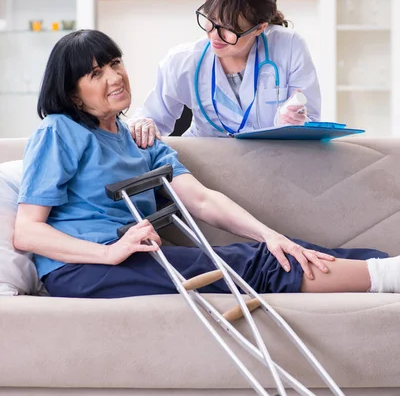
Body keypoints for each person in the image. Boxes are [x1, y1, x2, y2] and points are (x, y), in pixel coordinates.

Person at [14, 29, 399, 299]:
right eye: (96, 73)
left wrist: (269, 234)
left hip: (130, 259)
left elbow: (200, 200)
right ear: (72, 94)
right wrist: (108, 253)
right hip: (85, 271)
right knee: (258, 266)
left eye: (115, 63)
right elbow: (27, 233)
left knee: (282, 249)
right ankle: (385, 277)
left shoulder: (139, 138)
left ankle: (387, 268)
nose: (115, 77)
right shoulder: (59, 131)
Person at [129, 0, 321, 148]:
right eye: (211, 21)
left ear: (260, 28)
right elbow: (151, 119)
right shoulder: (183, 62)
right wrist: (143, 123)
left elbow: (311, 119)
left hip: (273, 160)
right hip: (209, 162)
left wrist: (293, 122)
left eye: (229, 29)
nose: (214, 35)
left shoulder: (288, 47)